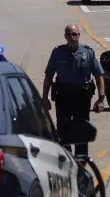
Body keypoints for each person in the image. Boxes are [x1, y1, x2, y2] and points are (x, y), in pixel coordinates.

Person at [42, 24, 106, 158]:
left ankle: (81, 159)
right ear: (65, 36)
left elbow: (98, 75)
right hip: (63, 96)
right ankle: (66, 158)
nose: (73, 37)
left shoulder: (88, 52)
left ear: (79, 35)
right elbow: (48, 76)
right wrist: (45, 98)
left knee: (81, 127)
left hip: (81, 97)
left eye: (75, 34)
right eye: (70, 34)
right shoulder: (57, 53)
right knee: (63, 127)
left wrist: (101, 98)